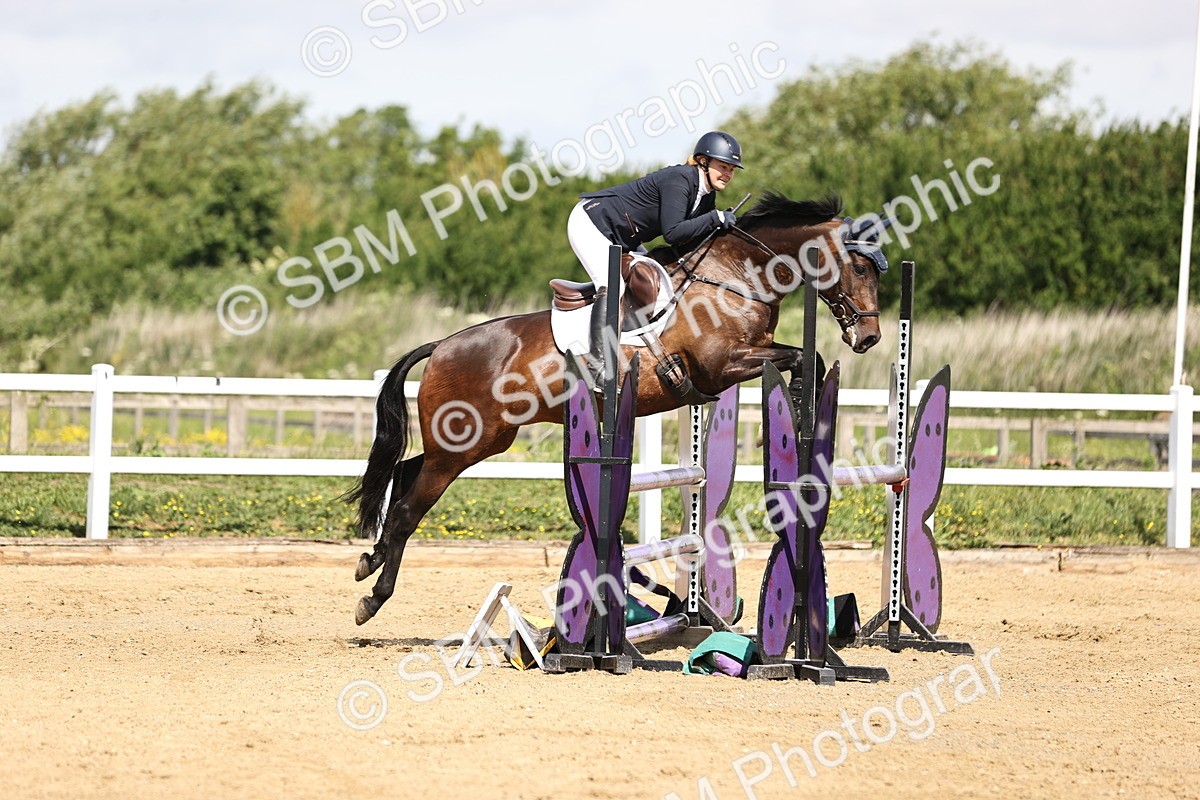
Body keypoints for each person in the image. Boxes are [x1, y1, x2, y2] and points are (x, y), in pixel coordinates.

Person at [566, 130, 744, 381]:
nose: (727, 174)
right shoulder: (680, 180)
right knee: (612, 287)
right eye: (722, 166)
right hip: (592, 223)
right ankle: (598, 368)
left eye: (731, 169)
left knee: (657, 283)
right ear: (703, 162)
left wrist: (719, 226)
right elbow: (672, 233)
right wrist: (715, 218)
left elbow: (691, 241)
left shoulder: (706, 195)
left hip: (625, 238)